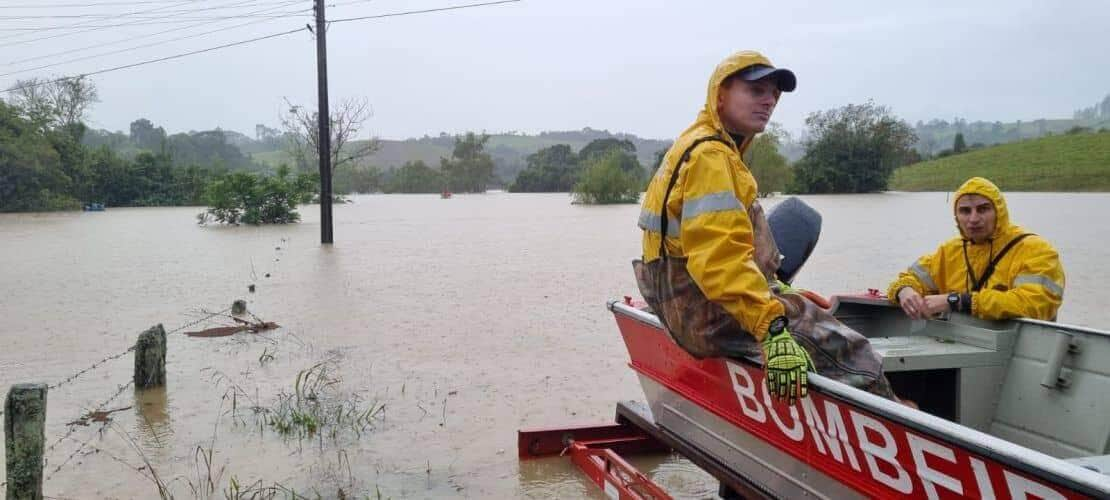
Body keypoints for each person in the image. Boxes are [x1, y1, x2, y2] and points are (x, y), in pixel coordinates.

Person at [634, 51, 897, 404]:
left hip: (686, 301)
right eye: (756, 90)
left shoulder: (702, 145)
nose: (769, 100)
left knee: (801, 309)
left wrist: (773, 289)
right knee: (852, 351)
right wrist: (771, 327)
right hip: (708, 312)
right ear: (720, 95)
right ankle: (904, 421)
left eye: (774, 93)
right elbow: (720, 260)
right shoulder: (711, 158)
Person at [888, 177, 1065, 321]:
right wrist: (905, 291)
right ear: (956, 216)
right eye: (965, 211)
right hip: (967, 349)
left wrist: (957, 301)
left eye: (983, 209)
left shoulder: (1035, 250)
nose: (973, 219)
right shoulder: (949, 251)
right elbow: (908, 279)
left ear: (999, 212)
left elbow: (1034, 305)